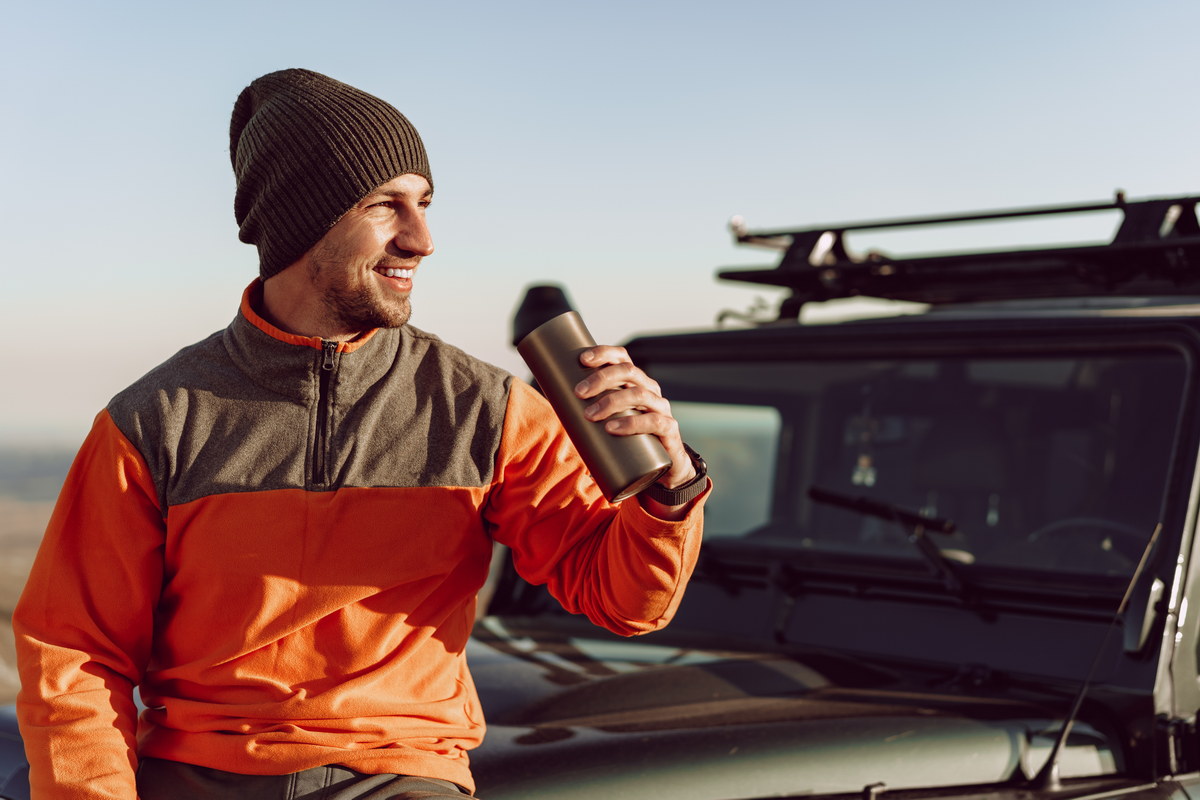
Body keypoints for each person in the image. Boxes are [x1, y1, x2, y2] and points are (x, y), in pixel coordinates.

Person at [12, 68, 709, 800]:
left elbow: (623, 603)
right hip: (197, 776)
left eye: (426, 204)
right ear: (302, 219)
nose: (423, 238)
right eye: (388, 205)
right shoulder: (154, 420)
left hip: (401, 774)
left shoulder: (488, 406)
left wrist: (669, 487)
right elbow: (74, 652)